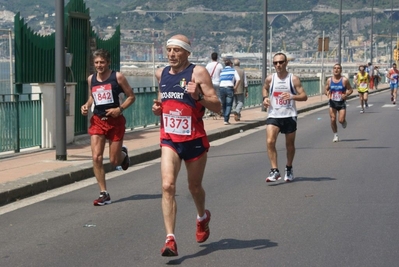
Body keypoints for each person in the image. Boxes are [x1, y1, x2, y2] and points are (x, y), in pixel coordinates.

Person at [151, 34, 221, 257]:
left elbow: (217, 106)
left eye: (177, 50)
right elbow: (163, 101)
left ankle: (202, 217)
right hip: (170, 139)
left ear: (187, 52)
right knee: (167, 186)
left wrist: (198, 95)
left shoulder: (198, 72)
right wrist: (157, 109)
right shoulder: (161, 73)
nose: (171, 54)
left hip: (193, 139)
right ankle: (170, 239)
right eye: (169, 49)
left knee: (194, 188)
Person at [81, 49, 136, 206]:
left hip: (115, 122)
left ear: (108, 63)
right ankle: (104, 193)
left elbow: (131, 96)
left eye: (102, 62)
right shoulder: (91, 79)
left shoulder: (117, 77)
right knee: (96, 157)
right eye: (96, 62)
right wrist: (86, 105)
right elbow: (93, 95)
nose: (99, 65)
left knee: (114, 161)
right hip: (98, 120)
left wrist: (120, 109)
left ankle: (123, 156)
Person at [262, 52, 308, 183]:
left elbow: (304, 96)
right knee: (270, 141)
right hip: (274, 114)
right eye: (275, 63)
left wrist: (292, 96)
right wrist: (265, 98)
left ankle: (289, 168)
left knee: (289, 145)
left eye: (281, 62)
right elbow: (265, 88)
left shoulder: (293, 79)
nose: (278, 65)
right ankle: (274, 170)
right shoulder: (270, 79)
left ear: (286, 63)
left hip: (289, 115)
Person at [325, 63, 353, 142]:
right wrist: (326, 92)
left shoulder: (344, 80)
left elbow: (350, 90)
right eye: (335, 68)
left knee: (340, 120)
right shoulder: (329, 80)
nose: (336, 69)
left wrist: (346, 94)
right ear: (333, 70)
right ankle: (335, 135)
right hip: (332, 102)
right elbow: (326, 89)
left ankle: (343, 121)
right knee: (333, 119)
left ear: (341, 70)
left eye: (338, 68)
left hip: (341, 103)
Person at [219, 59, 241, 125]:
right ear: (231, 64)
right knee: (229, 104)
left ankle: (224, 118)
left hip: (221, 88)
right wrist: (235, 87)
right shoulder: (233, 70)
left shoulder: (222, 71)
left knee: (224, 103)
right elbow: (238, 79)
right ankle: (226, 119)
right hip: (229, 88)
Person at [205, 52, 223, 118]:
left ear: (211, 57)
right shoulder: (220, 65)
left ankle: (211, 111)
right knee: (218, 97)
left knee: (210, 97)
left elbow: (205, 74)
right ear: (217, 57)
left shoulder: (208, 65)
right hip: (218, 83)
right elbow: (222, 75)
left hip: (210, 83)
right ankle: (219, 110)